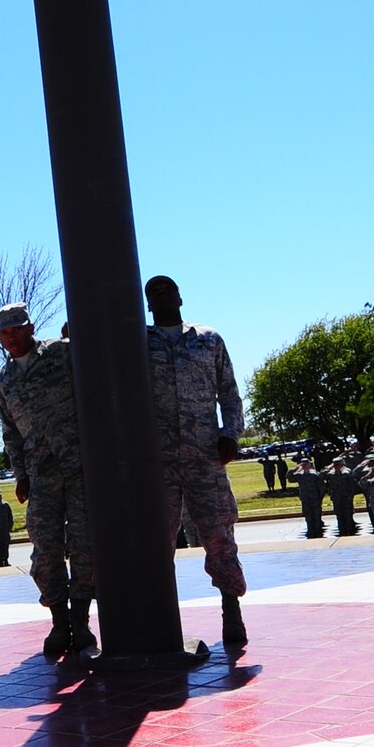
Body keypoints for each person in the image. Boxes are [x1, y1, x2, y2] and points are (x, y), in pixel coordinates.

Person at [144, 275, 247, 648]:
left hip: (205, 455)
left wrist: (230, 434)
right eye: (153, 293)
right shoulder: (139, 343)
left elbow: (230, 394)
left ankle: (231, 609)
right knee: (157, 544)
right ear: (148, 305)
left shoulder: (208, 339)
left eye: (167, 289)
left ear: (180, 297)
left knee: (219, 535)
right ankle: (159, 618)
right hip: (159, 463)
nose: (161, 296)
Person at [0, 301, 95, 657]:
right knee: (45, 550)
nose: (13, 338)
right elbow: (11, 434)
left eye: (18, 329)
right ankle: (59, 621)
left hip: (80, 466)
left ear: (30, 326)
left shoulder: (60, 353)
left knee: (85, 545)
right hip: (41, 476)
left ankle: (81, 619)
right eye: (5, 333)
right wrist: (20, 474)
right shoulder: (4, 382)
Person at [290, 457, 326, 539]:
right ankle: (311, 532)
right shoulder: (299, 475)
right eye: (303, 464)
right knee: (308, 517)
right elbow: (289, 478)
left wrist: (319, 498)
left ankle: (318, 532)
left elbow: (322, 488)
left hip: (315, 499)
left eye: (306, 464)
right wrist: (296, 468)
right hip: (305, 500)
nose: (305, 466)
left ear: (310, 465)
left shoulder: (315, 474)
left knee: (317, 517)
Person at [325, 457, 358, 536]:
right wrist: (329, 467)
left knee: (348, 516)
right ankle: (342, 531)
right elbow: (321, 476)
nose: (337, 466)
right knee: (339, 516)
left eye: (338, 464)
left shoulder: (347, 472)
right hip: (336, 498)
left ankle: (350, 531)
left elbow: (352, 485)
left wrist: (350, 496)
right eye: (335, 465)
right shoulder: (331, 473)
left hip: (346, 497)